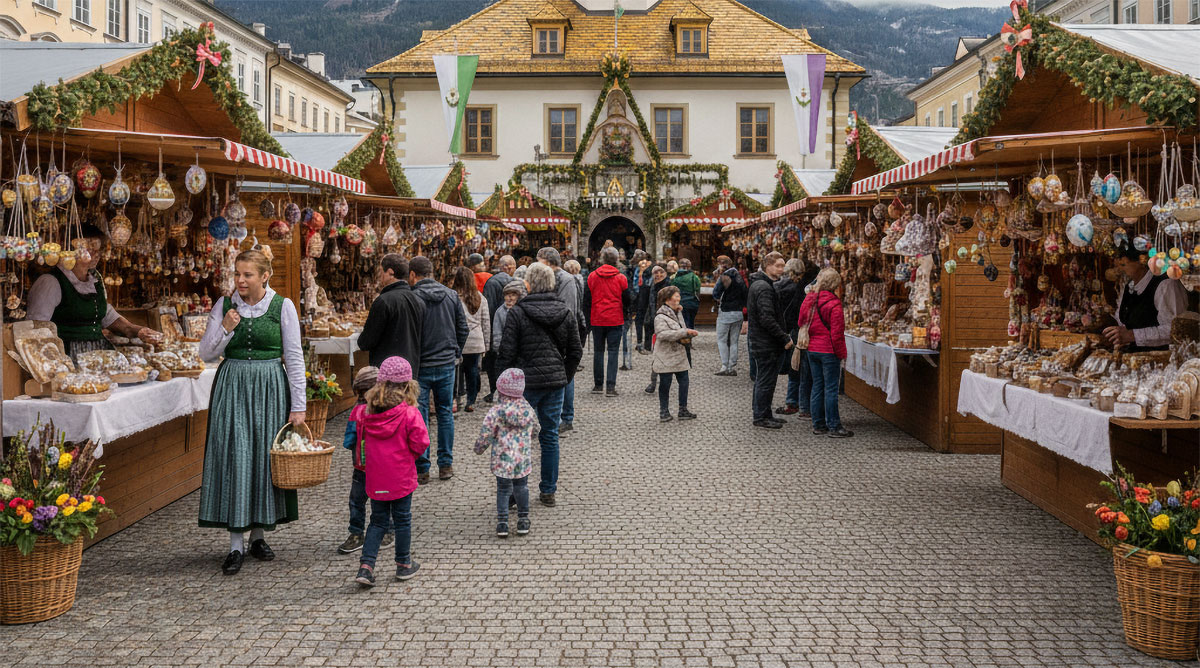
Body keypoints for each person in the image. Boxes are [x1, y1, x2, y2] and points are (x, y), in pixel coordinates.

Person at [197, 249, 305, 575]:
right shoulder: (224, 305)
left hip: (271, 386)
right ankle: (234, 544)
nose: (240, 281)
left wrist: (298, 406)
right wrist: (226, 328)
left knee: (262, 457)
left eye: (248, 275)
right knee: (236, 455)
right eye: (237, 274)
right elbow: (205, 353)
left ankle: (258, 536)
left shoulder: (282, 307)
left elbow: (295, 358)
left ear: (264, 276)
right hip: (232, 386)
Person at [496, 263, 583, 508]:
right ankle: (548, 490)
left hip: (523, 385)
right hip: (554, 383)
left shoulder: (519, 312)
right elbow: (575, 351)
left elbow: (507, 352)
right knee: (549, 435)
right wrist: (564, 375)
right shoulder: (565, 312)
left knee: (516, 436)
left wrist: (502, 383)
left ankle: (515, 492)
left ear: (529, 284)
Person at [28, 223, 163, 356]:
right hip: (68, 356)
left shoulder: (95, 278)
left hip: (99, 354)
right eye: (90, 247)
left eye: (98, 247)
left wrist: (138, 330)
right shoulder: (50, 282)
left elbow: (106, 315)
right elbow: (37, 330)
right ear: (71, 249)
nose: (96, 253)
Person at [351, 356, 427, 586]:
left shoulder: (365, 413)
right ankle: (403, 564)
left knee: (377, 521)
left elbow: (359, 443)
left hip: (375, 477)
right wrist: (410, 456)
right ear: (407, 386)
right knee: (402, 520)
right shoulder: (409, 413)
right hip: (401, 476)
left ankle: (366, 566)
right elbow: (421, 442)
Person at [409, 256, 468, 484]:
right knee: (445, 414)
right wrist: (455, 351)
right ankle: (445, 464)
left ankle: (422, 467)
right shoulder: (451, 295)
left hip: (422, 364)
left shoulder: (413, 297)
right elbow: (462, 328)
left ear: (413, 275)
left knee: (421, 414)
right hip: (446, 363)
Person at [337, 366, 394, 555]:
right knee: (385, 498)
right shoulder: (387, 410)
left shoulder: (356, 412)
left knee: (356, 501)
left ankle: (356, 534)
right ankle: (388, 530)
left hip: (360, 467)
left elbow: (348, 440)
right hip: (383, 467)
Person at [474, 367, 537, 538]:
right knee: (521, 487)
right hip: (522, 459)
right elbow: (536, 429)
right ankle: (523, 520)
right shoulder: (528, 410)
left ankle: (502, 523)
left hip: (502, 460)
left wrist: (479, 448)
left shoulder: (496, 411)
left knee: (503, 489)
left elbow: (485, 433)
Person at [1103, 239, 1189, 351]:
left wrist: (1132, 335)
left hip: (1163, 360)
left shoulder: (1165, 285)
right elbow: (1123, 322)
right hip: (1135, 359)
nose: (1118, 270)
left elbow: (1176, 329)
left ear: (1141, 261)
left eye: (1123, 264)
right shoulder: (1129, 285)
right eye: (1117, 265)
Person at [799, 268, 851, 438]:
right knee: (830, 389)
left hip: (812, 349)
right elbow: (837, 334)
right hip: (828, 351)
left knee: (817, 386)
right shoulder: (834, 304)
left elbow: (801, 321)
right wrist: (841, 353)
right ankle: (834, 426)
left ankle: (818, 424)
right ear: (835, 284)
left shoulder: (810, 299)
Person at [537, 247, 583, 433]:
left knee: (565, 375)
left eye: (539, 260)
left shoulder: (566, 279)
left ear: (547, 262)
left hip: (561, 334)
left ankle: (566, 416)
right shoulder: (545, 277)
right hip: (546, 333)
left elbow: (568, 309)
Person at [747, 252, 794, 430]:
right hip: (766, 343)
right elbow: (766, 317)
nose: (782, 270)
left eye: (783, 266)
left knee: (765, 379)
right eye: (778, 266)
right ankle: (760, 416)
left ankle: (764, 413)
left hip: (762, 341)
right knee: (766, 380)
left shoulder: (762, 284)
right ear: (768, 266)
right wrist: (783, 337)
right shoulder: (764, 287)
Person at [357, 254, 425, 369]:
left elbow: (366, 342)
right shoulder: (419, 300)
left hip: (386, 371)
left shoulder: (383, 301)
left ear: (390, 272)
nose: (380, 277)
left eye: (381, 272)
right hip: (410, 368)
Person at [583, 246, 629, 396]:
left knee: (598, 351)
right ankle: (610, 386)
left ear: (602, 259)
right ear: (616, 259)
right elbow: (627, 299)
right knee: (613, 352)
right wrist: (626, 312)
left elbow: (587, 299)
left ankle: (598, 385)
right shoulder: (621, 278)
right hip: (615, 318)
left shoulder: (592, 276)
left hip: (597, 318)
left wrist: (588, 317)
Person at [652, 286, 699, 422]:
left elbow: (681, 329)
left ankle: (683, 410)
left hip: (679, 353)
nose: (679, 298)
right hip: (665, 355)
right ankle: (664, 411)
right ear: (667, 299)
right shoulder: (660, 316)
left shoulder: (678, 312)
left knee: (684, 381)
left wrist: (687, 335)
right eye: (676, 296)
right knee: (665, 383)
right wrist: (684, 333)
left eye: (679, 296)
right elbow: (661, 334)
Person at [774, 258, 813, 417]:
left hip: (787, 331)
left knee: (793, 367)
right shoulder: (802, 290)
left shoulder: (777, 287)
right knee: (802, 369)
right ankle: (803, 406)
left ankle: (791, 402)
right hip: (800, 331)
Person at [453, 266, 490, 413]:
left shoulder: (453, 297)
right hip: (476, 341)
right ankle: (471, 399)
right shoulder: (480, 298)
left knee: (458, 371)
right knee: (473, 371)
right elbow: (486, 322)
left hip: (458, 340)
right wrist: (486, 344)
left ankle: (458, 397)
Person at [481, 255, 516, 403]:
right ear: (508, 267)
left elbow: (488, 306)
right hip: (513, 325)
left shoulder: (492, 282)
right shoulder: (514, 282)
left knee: (493, 361)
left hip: (496, 326)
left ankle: (495, 390)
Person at [711, 255, 748, 376]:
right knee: (734, 341)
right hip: (738, 313)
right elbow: (745, 295)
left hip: (726, 311)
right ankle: (732, 366)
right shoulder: (739, 277)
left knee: (722, 340)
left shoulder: (724, 277)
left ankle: (724, 366)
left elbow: (716, 293)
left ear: (722, 264)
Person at [643, 264, 672, 395]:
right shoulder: (652, 286)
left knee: (667, 355)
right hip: (655, 324)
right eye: (656, 272)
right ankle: (654, 382)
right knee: (657, 354)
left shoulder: (669, 287)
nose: (658, 274)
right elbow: (649, 306)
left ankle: (664, 382)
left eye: (661, 272)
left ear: (666, 273)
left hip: (666, 324)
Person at [492, 280, 527, 360]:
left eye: (513, 295)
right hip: (505, 351)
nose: (510, 298)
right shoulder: (500, 311)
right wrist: (499, 350)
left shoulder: (522, 310)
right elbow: (497, 333)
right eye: (507, 295)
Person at [671, 258, 702, 330]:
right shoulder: (694, 277)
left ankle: (682, 338)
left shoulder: (674, 277)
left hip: (678, 302)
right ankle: (689, 337)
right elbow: (697, 290)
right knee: (690, 322)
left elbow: (671, 290)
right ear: (689, 266)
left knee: (680, 322)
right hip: (691, 303)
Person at [634, 256, 654, 355]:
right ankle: (639, 342)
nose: (643, 265)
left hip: (645, 302)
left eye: (645, 263)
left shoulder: (650, 273)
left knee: (646, 322)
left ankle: (646, 344)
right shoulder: (637, 272)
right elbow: (635, 287)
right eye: (642, 263)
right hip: (639, 302)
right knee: (640, 321)